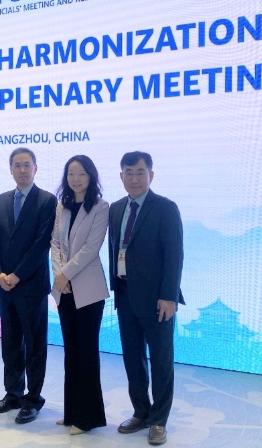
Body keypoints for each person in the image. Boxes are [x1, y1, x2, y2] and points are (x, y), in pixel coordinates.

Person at [108, 151, 184, 446]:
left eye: (140, 172)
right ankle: (141, 412)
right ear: (121, 176)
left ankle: (159, 421)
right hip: (125, 295)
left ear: (150, 175)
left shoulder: (165, 208)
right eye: (128, 172)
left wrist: (168, 297)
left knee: (161, 361)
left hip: (157, 301)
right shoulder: (116, 209)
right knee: (133, 359)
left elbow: (174, 255)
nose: (134, 178)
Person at [0, 147, 56, 424]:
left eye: (27, 165)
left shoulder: (47, 200)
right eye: (17, 165)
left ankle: (33, 398)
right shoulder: (1, 200)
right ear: (11, 170)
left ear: (36, 168)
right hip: (5, 286)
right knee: (11, 343)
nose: (23, 170)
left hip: (31, 285)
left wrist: (17, 275)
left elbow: (42, 243)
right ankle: (13, 393)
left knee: (35, 344)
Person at [50, 155, 109, 434]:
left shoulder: (100, 207)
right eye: (71, 174)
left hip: (88, 289)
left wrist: (65, 273)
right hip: (64, 289)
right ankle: (71, 412)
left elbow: (91, 248)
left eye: (81, 174)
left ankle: (87, 418)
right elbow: (55, 243)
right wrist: (58, 275)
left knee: (86, 352)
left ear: (91, 176)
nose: (75, 179)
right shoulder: (61, 206)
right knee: (71, 352)